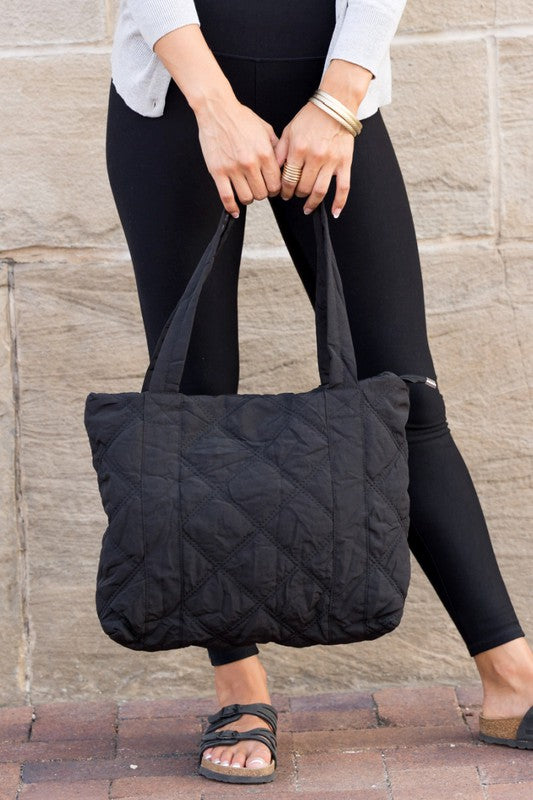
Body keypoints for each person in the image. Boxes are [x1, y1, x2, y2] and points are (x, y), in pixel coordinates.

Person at [105, 0, 533, 784]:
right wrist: (213, 104)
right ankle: (241, 694)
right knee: (196, 413)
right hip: (178, 96)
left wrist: (336, 102)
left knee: (406, 396)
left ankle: (511, 679)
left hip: (330, 91)